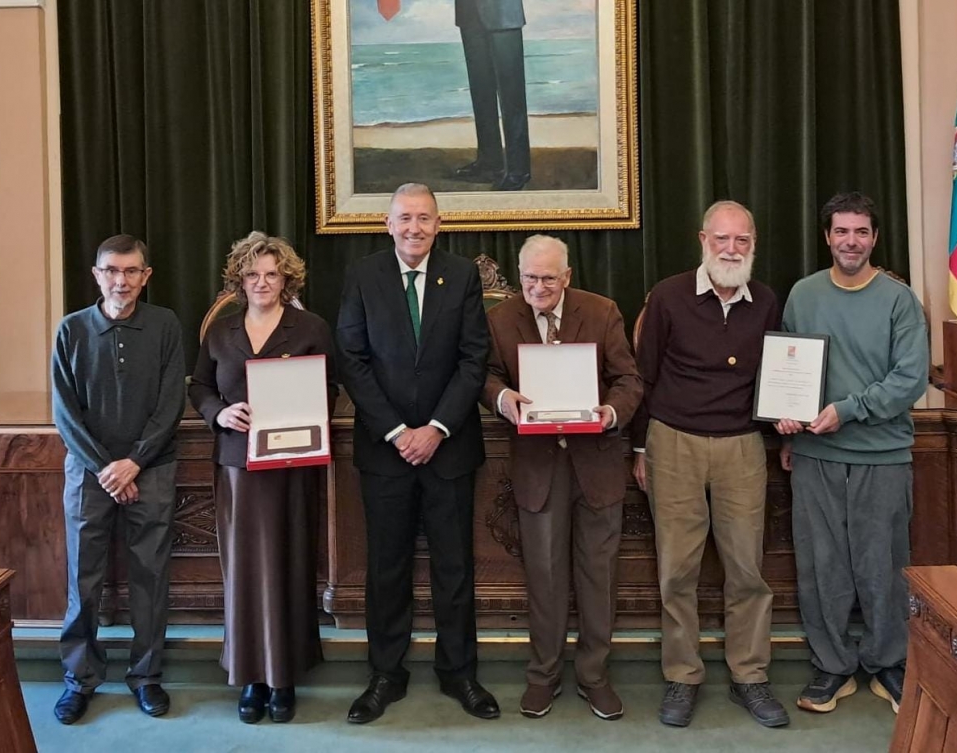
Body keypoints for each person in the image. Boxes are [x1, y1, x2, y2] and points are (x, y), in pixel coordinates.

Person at [336, 183, 498, 723]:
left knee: (454, 567)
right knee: (387, 567)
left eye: (424, 218)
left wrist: (434, 428)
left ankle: (460, 673)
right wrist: (397, 432)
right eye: (404, 218)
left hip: (449, 448)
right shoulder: (363, 275)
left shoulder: (463, 274)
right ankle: (386, 674)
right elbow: (352, 359)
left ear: (438, 223)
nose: (414, 228)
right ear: (387, 224)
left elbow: (475, 360)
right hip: (385, 452)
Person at [631, 201, 790, 729]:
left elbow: (776, 376)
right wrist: (639, 448)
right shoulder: (669, 296)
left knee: (747, 567)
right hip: (672, 443)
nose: (731, 249)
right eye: (721, 239)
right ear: (703, 240)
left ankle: (750, 675)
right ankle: (683, 674)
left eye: (741, 240)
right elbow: (644, 375)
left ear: (753, 244)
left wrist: (786, 422)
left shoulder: (766, 301)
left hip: (742, 445)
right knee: (677, 569)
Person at [776, 192, 928, 716]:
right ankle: (833, 666)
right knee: (823, 566)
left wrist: (848, 409)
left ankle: (889, 662)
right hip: (816, 455)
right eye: (842, 231)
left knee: (882, 566)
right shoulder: (803, 294)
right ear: (827, 237)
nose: (851, 241)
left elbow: (910, 379)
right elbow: (787, 369)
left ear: (875, 238)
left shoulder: (898, 300)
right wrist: (789, 424)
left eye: (861, 232)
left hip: (882, 455)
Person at [481, 235, 642, 720]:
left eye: (549, 278)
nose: (537, 287)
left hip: (597, 463)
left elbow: (629, 379)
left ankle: (594, 677)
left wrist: (611, 413)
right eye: (530, 277)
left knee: (598, 576)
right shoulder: (500, 318)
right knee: (545, 577)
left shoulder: (600, 311)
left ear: (567, 277)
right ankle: (543, 676)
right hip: (538, 468)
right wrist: (504, 399)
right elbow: (485, 376)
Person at [189, 232, 339, 724]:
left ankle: (285, 676)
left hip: (293, 466)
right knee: (245, 572)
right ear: (239, 280)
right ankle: (251, 677)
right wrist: (218, 414)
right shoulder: (221, 331)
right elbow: (202, 387)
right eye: (252, 275)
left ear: (287, 279)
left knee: (289, 566)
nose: (262, 283)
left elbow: (331, 387)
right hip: (237, 465)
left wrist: (306, 415)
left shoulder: (310, 327)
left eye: (272, 274)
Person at [51, 234, 186, 724]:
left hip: (151, 470)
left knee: (150, 577)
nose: (121, 281)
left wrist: (135, 462)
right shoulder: (72, 330)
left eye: (132, 272)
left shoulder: (166, 325)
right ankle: (79, 680)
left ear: (146, 276)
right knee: (83, 579)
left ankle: (147, 677)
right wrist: (107, 468)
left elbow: (171, 402)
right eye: (112, 270)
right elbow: (65, 413)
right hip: (89, 474)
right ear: (96, 275)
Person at [453, 0, 531, 191]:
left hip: (503, 15)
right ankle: (489, 162)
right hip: (469, 13)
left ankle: (518, 170)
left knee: (512, 97)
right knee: (481, 93)